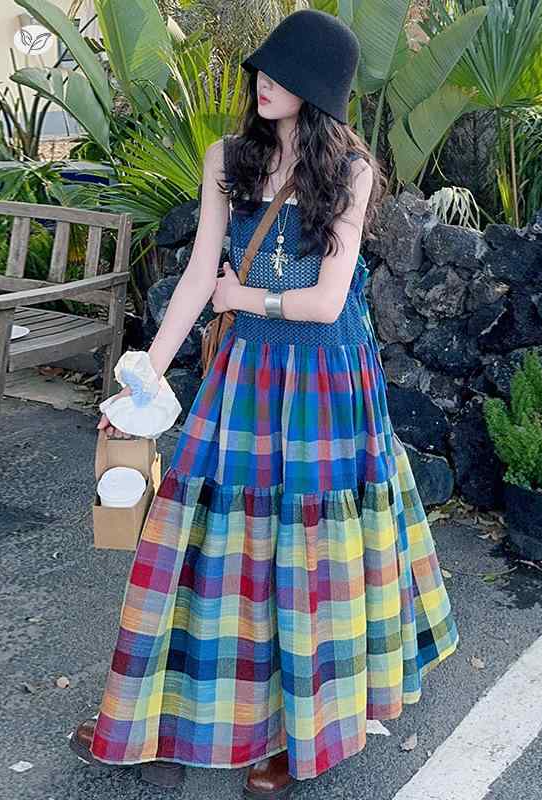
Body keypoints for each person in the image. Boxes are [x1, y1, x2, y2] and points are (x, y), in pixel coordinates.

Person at [70, 9, 459, 799]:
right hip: (247, 373)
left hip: (327, 378)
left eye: (285, 74)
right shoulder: (228, 158)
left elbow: (326, 302)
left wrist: (243, 297)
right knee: (207, 547)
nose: (264, 83)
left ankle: (301, 733)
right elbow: (195, 279)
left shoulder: (350, 171)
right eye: (263, 70)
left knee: (314, 555)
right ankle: (162, 716)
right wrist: (141, 385)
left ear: (320, 89)